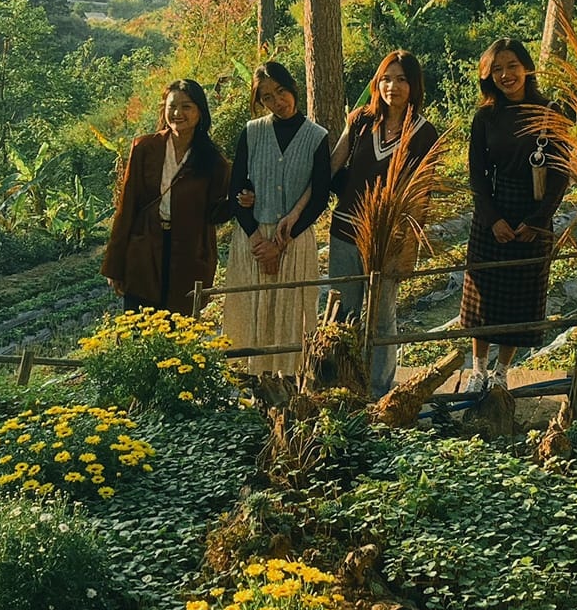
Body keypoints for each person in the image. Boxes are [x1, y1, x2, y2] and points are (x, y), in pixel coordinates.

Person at [328, 50, 440, 396]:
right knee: (343, 312)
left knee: (381, 316)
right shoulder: (362, 121)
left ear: (414, 85)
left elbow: (421, 196)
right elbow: (332, 166)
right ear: (377, 82)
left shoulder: (423, 133)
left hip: (386, 240)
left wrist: (407, 249)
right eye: (386, 78)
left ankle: (378, 390)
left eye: (402, 79)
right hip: (346, 230)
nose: (393, 86)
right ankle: (340, 384)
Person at [460, 38, 568, 394]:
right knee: (484, 295)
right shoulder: (485, 117)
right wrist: (492, 219)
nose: (506, 75)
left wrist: (538, 220)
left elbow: (559, 173)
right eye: (497, 69)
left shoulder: (549, 112)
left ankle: (502, 371)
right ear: (488, 75)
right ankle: (477, 369)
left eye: (512, 66)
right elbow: (476, 173)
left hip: (532, 214)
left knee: (521, 295)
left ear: (526, 67)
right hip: (492, 212)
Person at [224, 61, 331, 375]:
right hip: (252, 240)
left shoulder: (316, 137)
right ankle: (250, 384)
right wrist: (259, 241)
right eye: (267, 97)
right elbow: (236, 190)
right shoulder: (252, 132)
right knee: (253, 313)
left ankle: (289, 384)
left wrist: (281, 244)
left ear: (293, 88)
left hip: (294, 241)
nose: (277, 101)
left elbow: (320, 197)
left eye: (281, 91)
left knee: (291, 315)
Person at [103, 78, 230, 315]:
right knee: (141, 327)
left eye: (186, 107)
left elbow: (216, 213)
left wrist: (241, 200)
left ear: (200, 112)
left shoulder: (213, 161)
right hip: (145, 250)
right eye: (172, 106)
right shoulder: (144, 148)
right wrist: (115, 265)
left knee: (179, 329)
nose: (177, 113)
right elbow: (127, 207)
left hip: (188, 256)